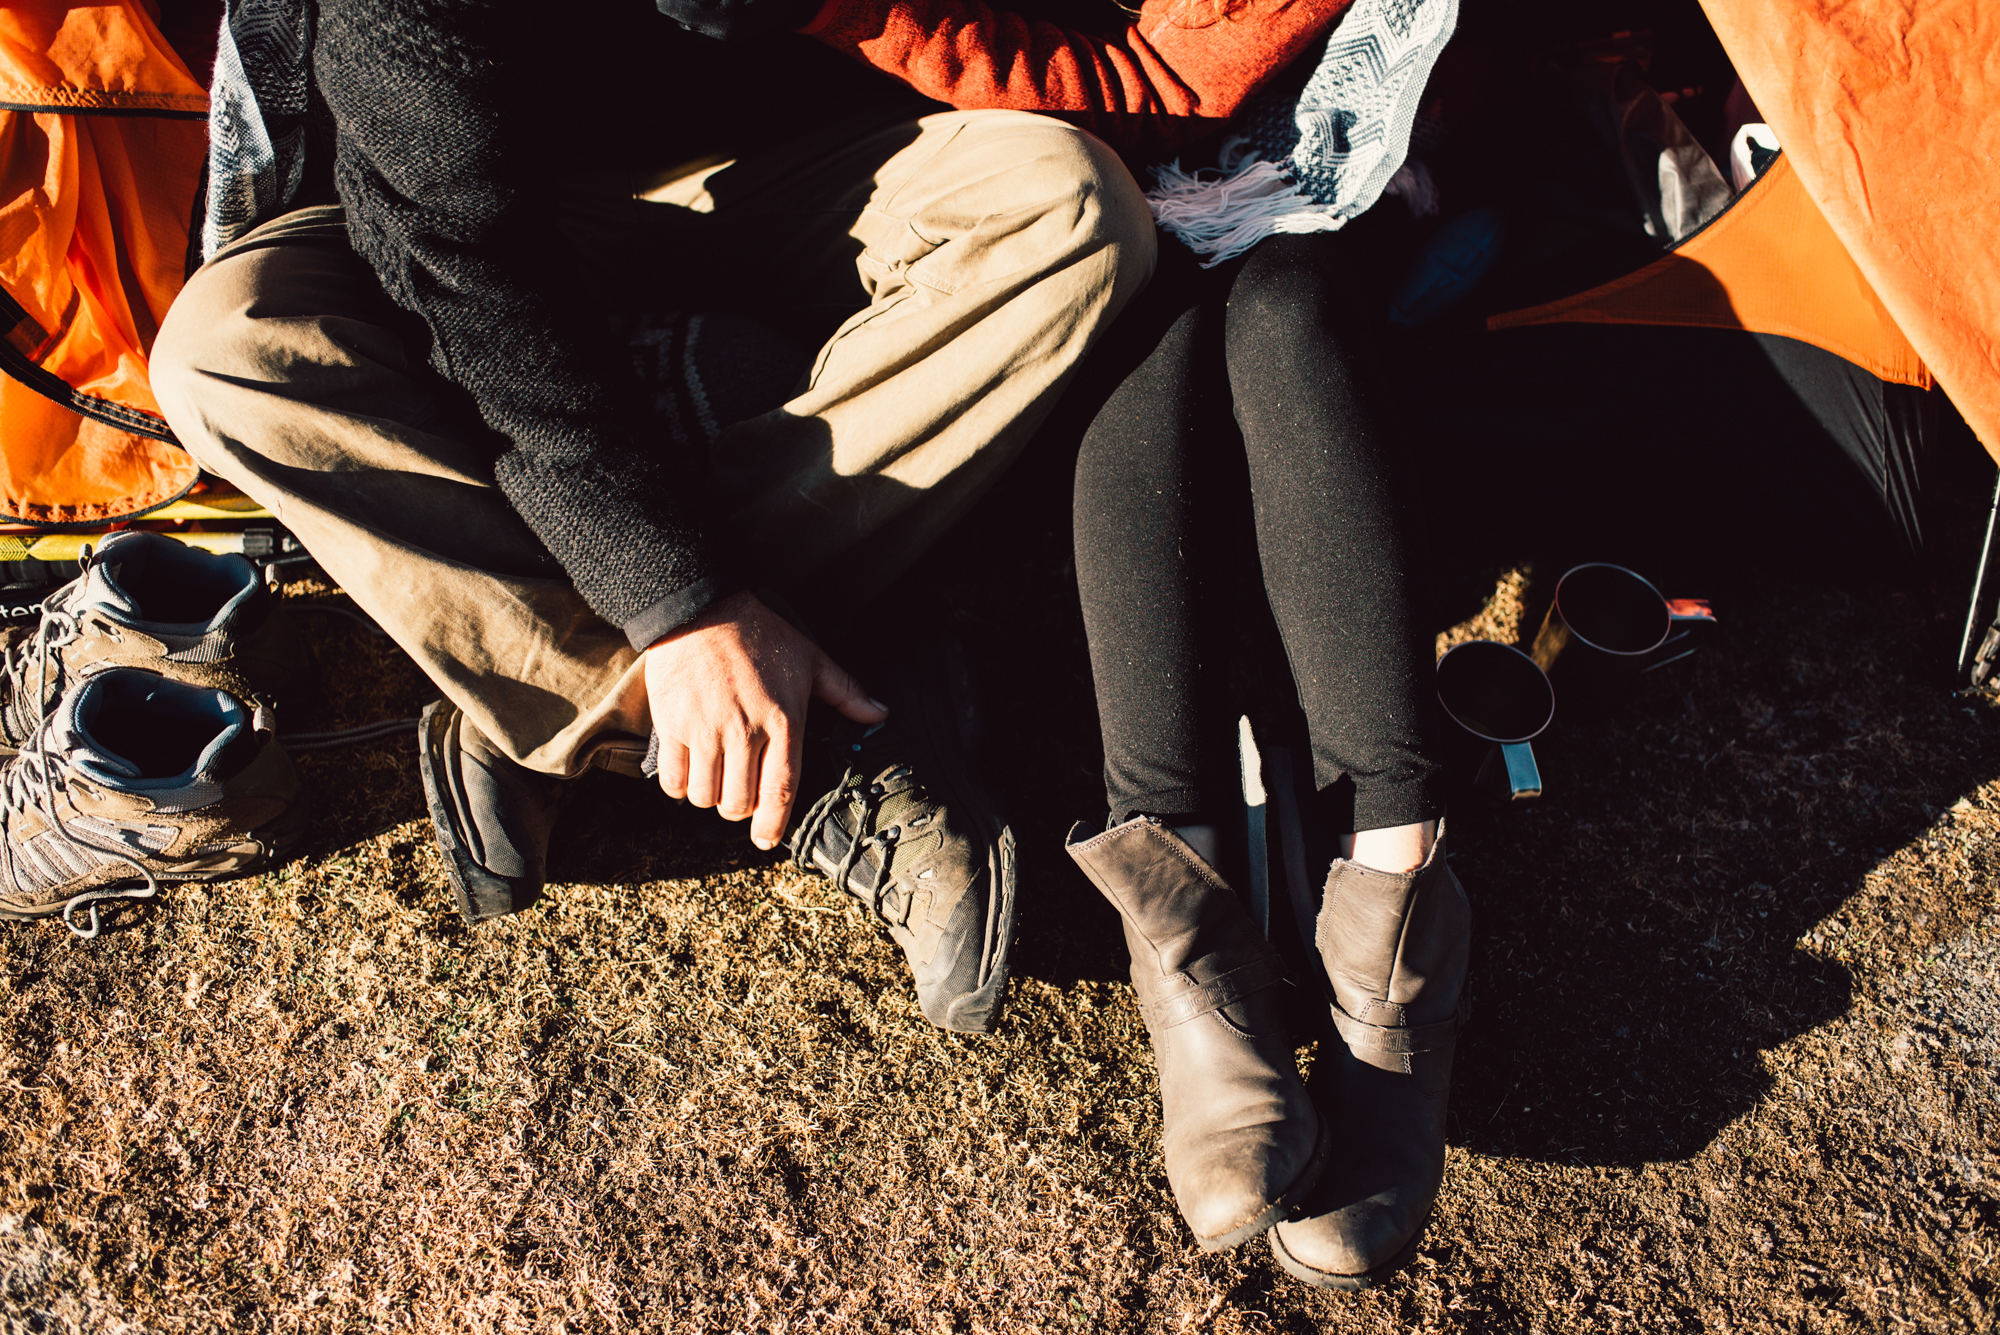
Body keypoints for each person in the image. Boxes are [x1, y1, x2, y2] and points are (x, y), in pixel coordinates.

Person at [144, 0, 1156, 1035]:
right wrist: (682, 604)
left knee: (1068, 207)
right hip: (499, 206)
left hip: (821, 153)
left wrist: (676, 586)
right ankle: (762, 734)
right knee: (231, 348)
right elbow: (467, 283)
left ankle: (541, 682)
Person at [725, 0, 1470, 1285]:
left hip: (1330, 118)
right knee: (1137, 336)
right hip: (1098, 157)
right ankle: (1180, 926)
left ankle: (1396, 918)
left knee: (1287, 311)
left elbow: (1201, 56)